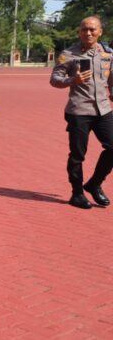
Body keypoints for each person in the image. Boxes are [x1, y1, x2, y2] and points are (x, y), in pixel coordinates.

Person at [50, 15, 113, 209]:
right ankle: (76, 193)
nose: (88, 33)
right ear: (79, 32)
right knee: (78, 154)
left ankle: (94, 184)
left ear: (100, 32)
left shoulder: (108, 54)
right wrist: (72, 81)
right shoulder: (68, 54)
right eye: (84, 29)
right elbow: (54, 79)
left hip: (103, 109)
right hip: (79, 111)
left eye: (92, 29)